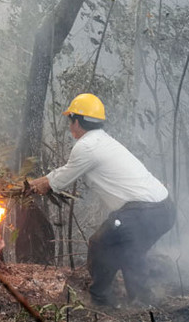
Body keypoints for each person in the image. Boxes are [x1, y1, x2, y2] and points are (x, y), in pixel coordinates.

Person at [27, 93, 175, 307]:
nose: (70, 126)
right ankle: (141, 302)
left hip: (142, 212)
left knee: (101, 244)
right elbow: (62, 173)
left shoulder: (86, 146)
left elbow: (61, 179)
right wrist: (36, 183)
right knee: (128, 249)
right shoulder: (102, 141)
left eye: (70, 120)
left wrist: (34, 186)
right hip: (164, 209)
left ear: (77, 122)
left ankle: (102, 300)